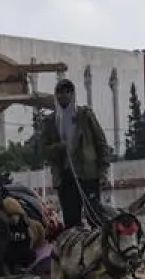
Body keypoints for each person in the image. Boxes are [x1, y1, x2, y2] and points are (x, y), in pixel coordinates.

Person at [38, 78, 111, 229]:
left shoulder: (85, 115)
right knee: (72, 221)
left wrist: (103, 171)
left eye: (68, 91)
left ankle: (99, 249)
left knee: (95, 216)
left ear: (73, 94)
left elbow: (101, 143)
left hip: (88, 175)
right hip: (65, 178)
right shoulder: (51, 121)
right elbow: (44, 150)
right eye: (60, 92)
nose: (64, 95)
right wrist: (59, 147)